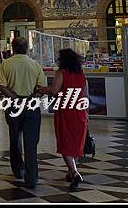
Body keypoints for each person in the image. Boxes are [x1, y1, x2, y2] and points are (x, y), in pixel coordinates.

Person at [0, 37, 46, 189]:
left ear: (13, 48)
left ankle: (18, 170)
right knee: (31, 142)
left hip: (13, 105)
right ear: (26, 48)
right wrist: (32, 97)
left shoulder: (6, 64)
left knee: (15, 137)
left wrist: (15, 97)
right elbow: (42, 88)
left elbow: (1, 86)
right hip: (31, 106)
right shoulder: (35, 65)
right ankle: (31, 177)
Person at [36, 49, 89, 191]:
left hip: (66, 111)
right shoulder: (81, 75)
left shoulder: (61, 73)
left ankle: (75, 173)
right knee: (76, 143)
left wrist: (41, 89)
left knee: (65, 142)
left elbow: (54, 90)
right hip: (80, 112)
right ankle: (71, 172)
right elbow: (85, 95)